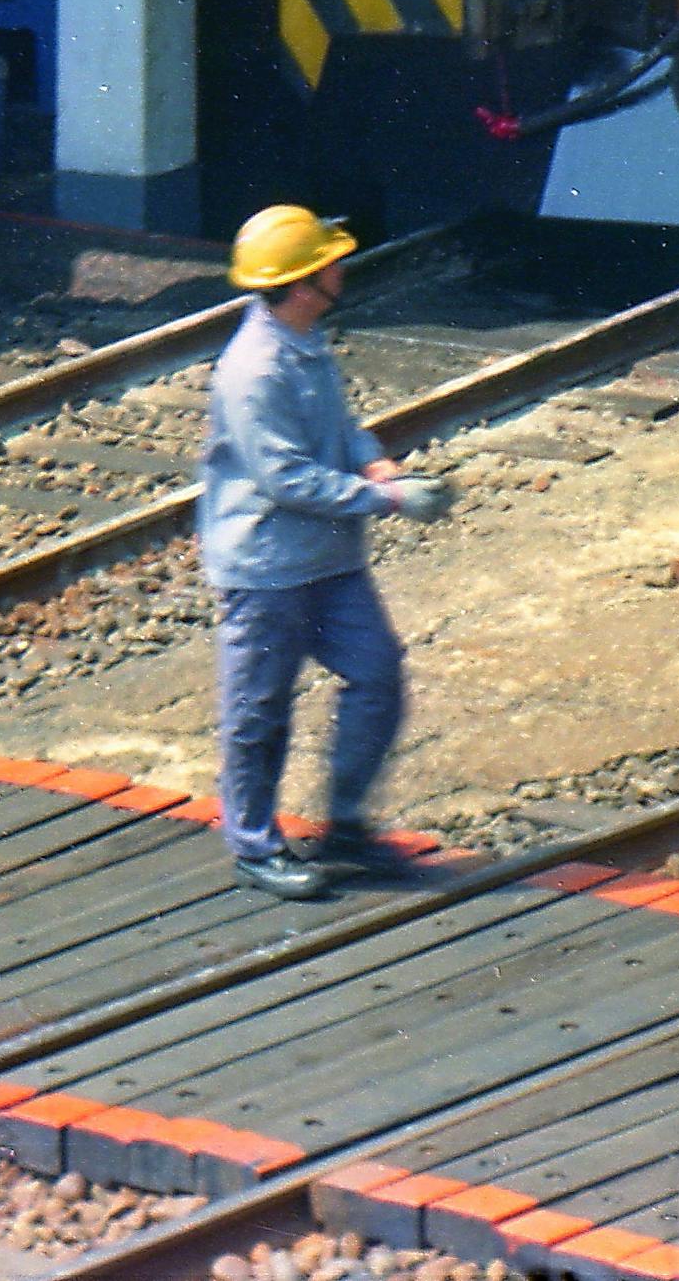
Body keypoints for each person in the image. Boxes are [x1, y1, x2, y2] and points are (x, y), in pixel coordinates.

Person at [196, 198, 436, 901]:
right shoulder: (254, 371)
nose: (342, 266)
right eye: (330, 261)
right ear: (303, 283)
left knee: (377, 674)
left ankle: (349, 828)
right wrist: (388, 500)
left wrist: (374, 462)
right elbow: (286, 479)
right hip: (268, 568)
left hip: (328, 560)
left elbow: (341, 424)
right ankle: (254, 846)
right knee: (258, 712)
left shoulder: (305, 337)